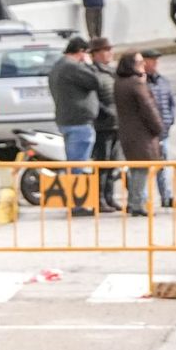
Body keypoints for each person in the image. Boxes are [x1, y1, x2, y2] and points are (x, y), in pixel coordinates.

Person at [48, 36, 104, 216]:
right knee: (78, 165)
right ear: (81, 52)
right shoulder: (72, 67)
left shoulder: (58, 66)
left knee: (74, 163)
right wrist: (89, 65)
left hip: (67, 120)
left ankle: (75, 202)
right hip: (79, 122)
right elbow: (97, 82)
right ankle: (78, 204)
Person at [114, 51, 165, 217]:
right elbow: (148, 108)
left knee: (136, 169)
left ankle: (134, 201)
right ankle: (137, 203)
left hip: (128, 132)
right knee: (141, 170)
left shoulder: (120, 82)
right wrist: (158, 128)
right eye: (140, 62)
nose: (143, 65)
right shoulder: (136, 84)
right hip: (141, 134)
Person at [88, 37, 122, 212]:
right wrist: (108, 113)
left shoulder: (111, 72)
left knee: (113, 163)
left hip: (115, 124)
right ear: (96, 54)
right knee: (102, 162)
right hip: (102, 125)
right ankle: (99, 198)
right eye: (106, 50)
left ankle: (109, 196)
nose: (110, 53)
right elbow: (94, 99)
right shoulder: (93, 73)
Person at [142, 48, 176, 209]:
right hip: (146, 133)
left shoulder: (163, 81)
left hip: (163, 132)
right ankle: (142, 199)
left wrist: (170, 121)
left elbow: (171, 104)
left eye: (156, 60)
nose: (155, 63)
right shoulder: (140, 82)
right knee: (143, 167)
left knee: (163, 166)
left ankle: (166, 196)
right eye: (152, 60)